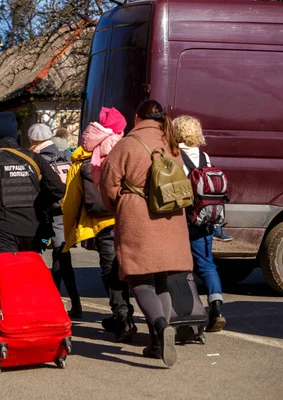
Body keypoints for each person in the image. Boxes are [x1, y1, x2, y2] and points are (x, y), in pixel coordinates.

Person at [100, 99, 193, 367]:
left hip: (139, 218)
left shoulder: (128, 144)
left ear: (137, 117)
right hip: (172, 218)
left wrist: (119, 201)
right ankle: (156, 342)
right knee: (161, 280)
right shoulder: (171, 143)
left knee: (139, 279)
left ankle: (161, 325)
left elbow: (108, 184)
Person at [64, 106, 136, 341]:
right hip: (130, 217)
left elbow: (71, 200)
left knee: (109, 270)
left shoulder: (82, 157)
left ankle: (122, 317)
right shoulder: (129, 150)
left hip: (102, 222)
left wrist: (70, 233)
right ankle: (153, 319)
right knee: (134, 269)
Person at [0, 112, 65, 254]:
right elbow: (58, 188)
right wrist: (38, 203)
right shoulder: (34, 157)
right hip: (33, 229)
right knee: (30, 273)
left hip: (4, 231)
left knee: (8, 274)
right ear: (15, 136)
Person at [174, 115, 226, 332]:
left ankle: (189, 311)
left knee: (182, 266)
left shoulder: (176, 156)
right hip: (206, 218)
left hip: (184, 219)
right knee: (207, 265)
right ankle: (216, 307)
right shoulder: (204, 156)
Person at [27, 123, 82, 317]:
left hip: (49, 212)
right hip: (68, 211)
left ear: (33, 141)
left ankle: (51, 301)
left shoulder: (38, 159)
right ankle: (74, 303)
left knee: (52, 256)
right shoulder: (66, 154)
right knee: (62, 255)